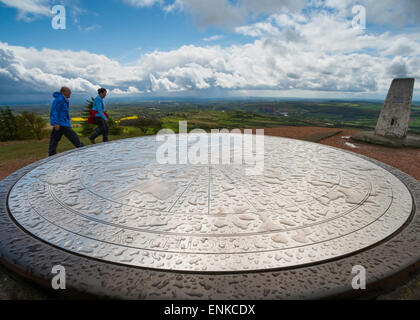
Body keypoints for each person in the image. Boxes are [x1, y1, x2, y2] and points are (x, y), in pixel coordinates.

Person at [49, 87, 84, 156]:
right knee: (72, 135)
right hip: (61, 123)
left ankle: (51, 153)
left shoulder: (63, 100)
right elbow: (54, 111)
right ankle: (80, 147)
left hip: (63, 122)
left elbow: (63, 112)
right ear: (64, 92)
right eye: (69, 92)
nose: (70, 94)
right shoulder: (59, 100)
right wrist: (56, 123)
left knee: (54, 139)